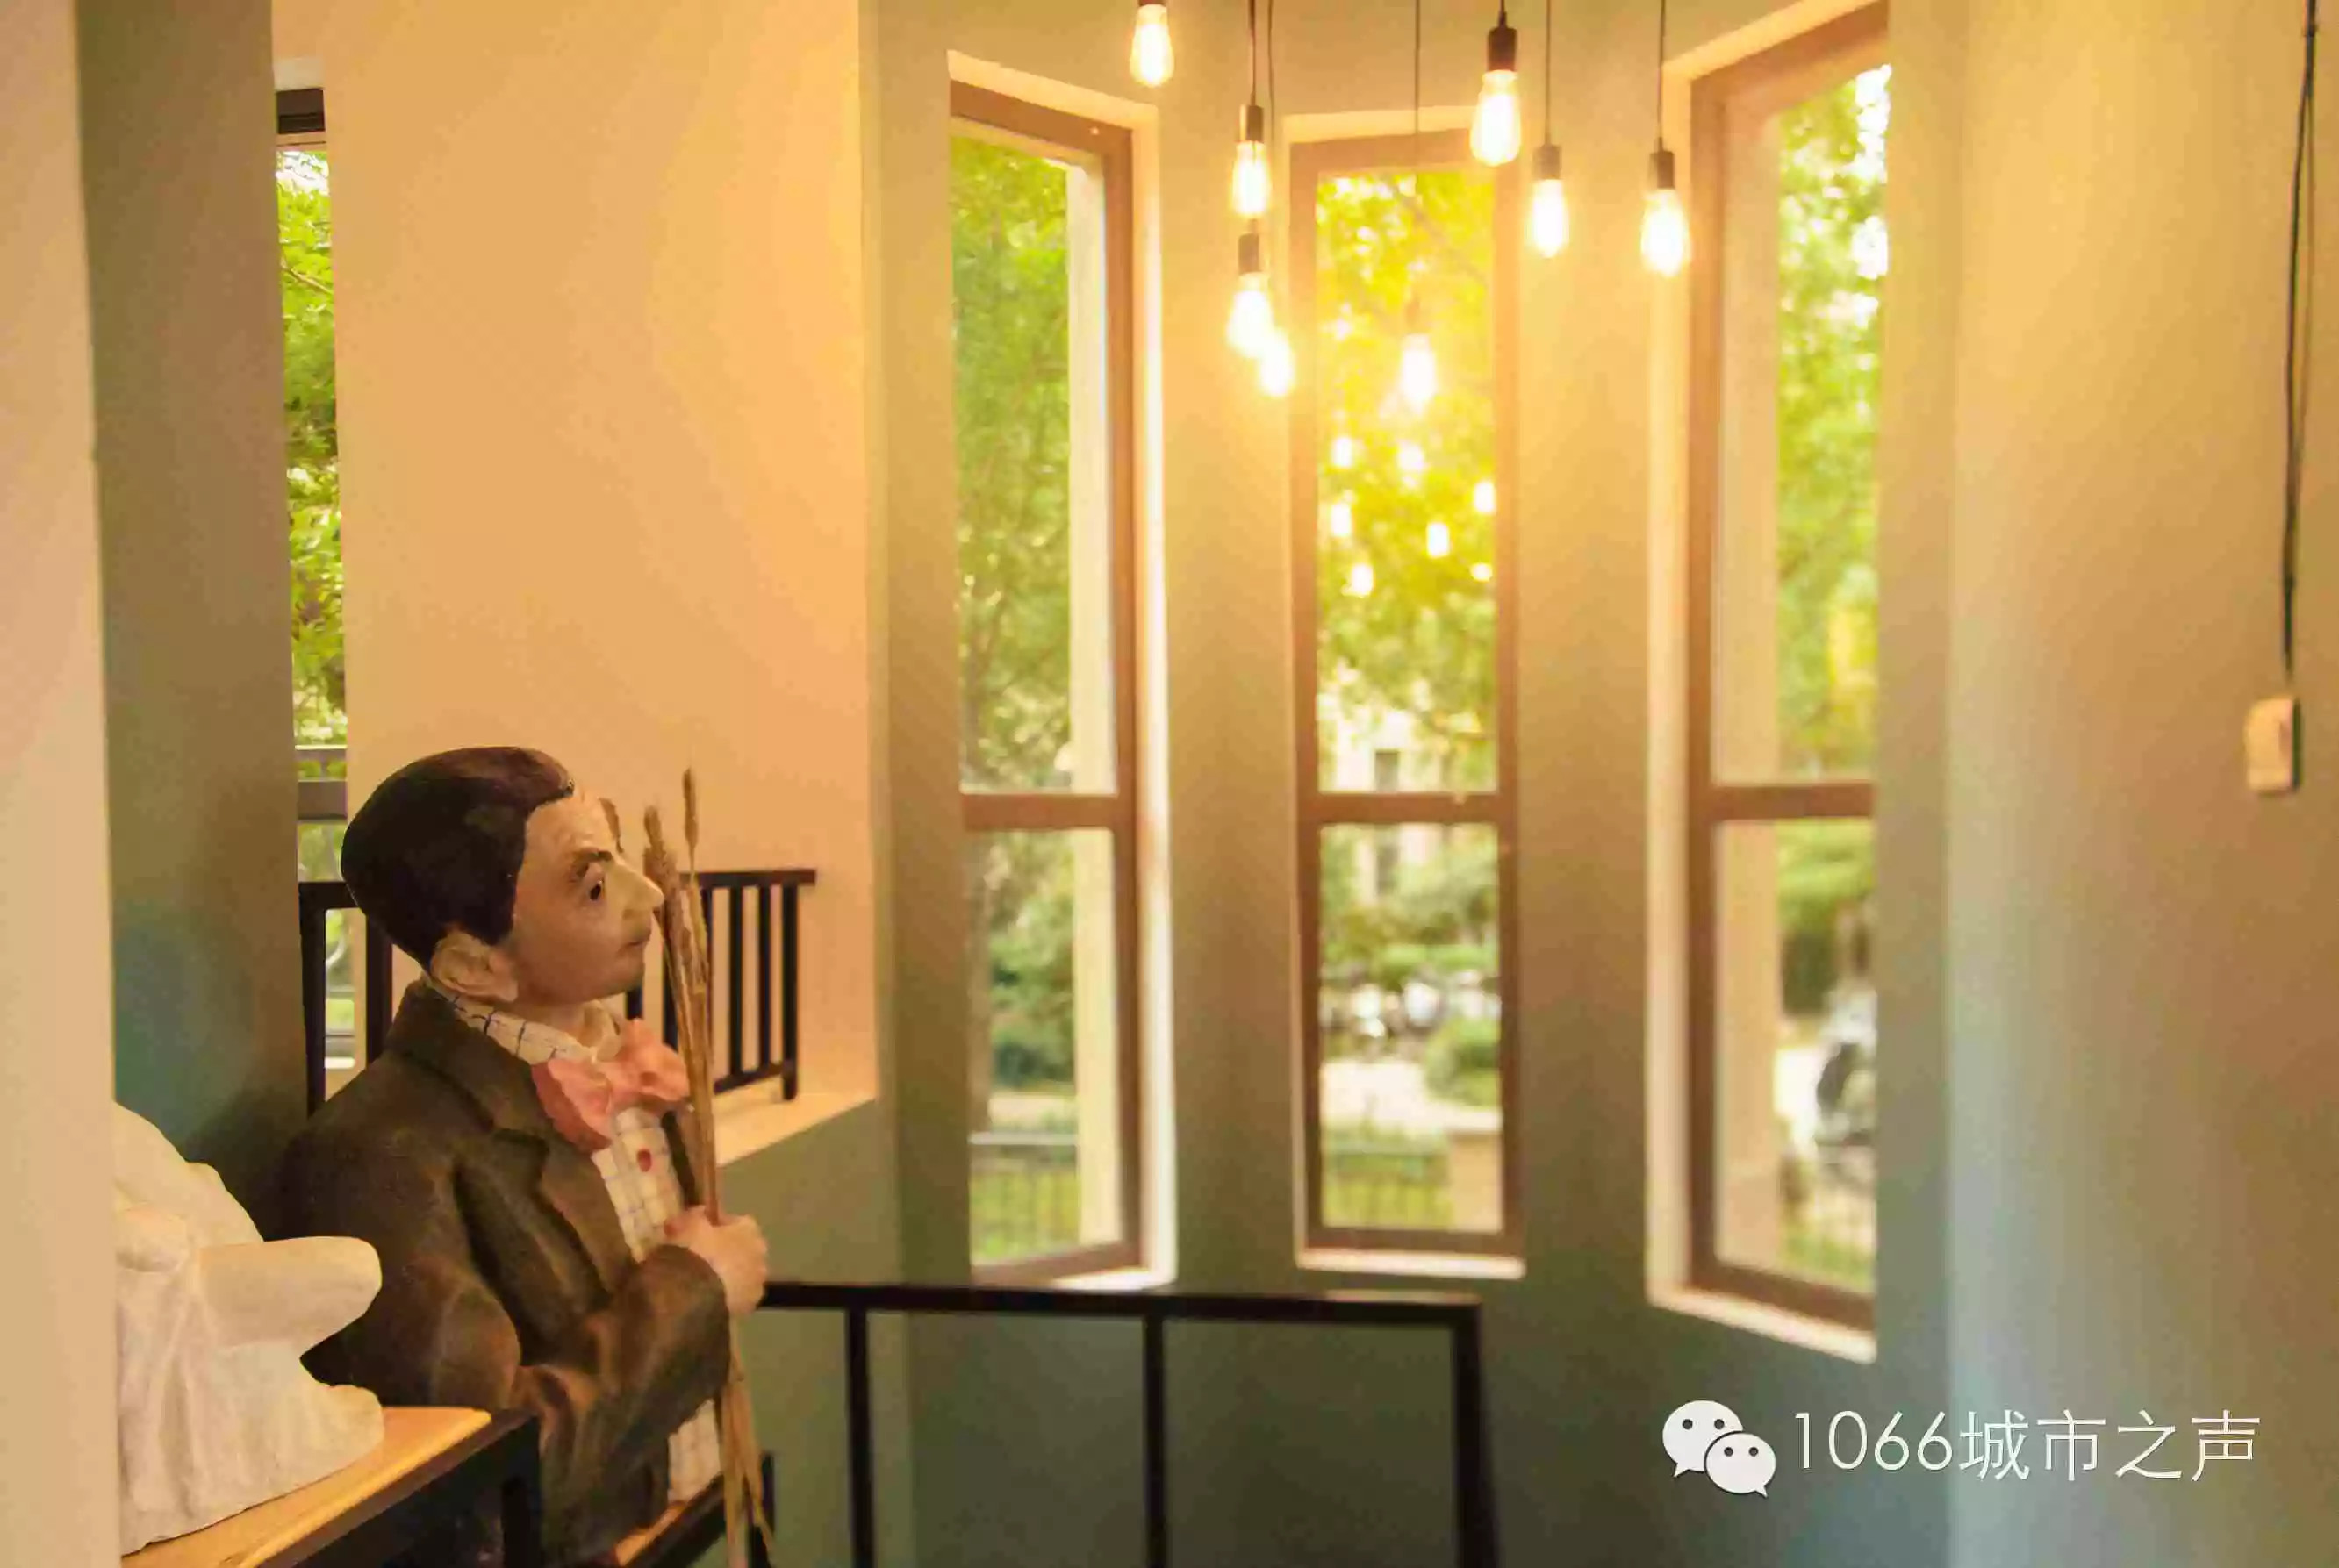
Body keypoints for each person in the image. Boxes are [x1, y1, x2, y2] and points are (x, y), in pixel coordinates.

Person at [280, 747, 768, 1565]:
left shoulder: (628, 1064)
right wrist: (695, 1291)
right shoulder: (377, 1157)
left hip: (679, 1529)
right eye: (593, 885)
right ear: (475, 964)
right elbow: (478, 1482)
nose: (649, 895)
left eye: (618, 853)